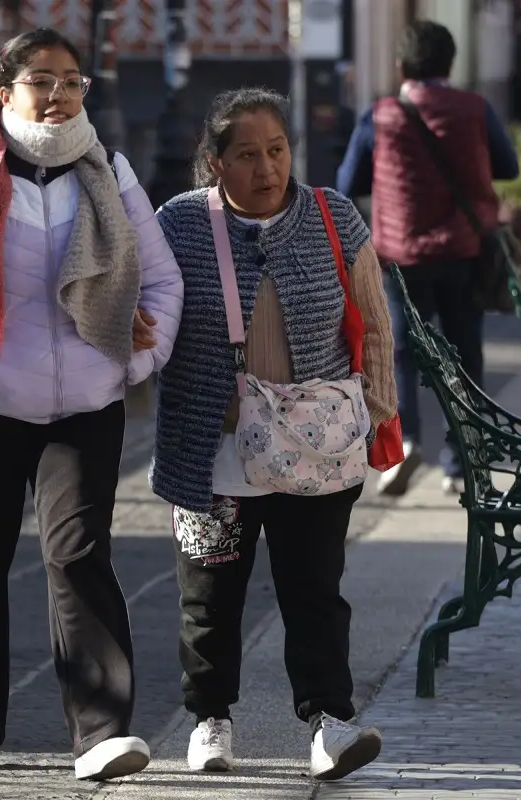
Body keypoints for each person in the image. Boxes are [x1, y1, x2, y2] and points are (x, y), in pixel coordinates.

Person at [0, 27, 183, 780]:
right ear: (4, 90)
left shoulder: (108, 172)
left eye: (73, 80)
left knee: (80, 555)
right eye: (41, 79)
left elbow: (164, 283)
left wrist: (132, 361)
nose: (59, 95)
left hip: (84, 401)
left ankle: (103, 732)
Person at [152, 87, 396, 781]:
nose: (267, 168)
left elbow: (375, 322)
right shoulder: (180, 226)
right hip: (213, 447)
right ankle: (210, 721)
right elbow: (151, 313)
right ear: (215, 162)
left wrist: (373, 411)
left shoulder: (333, 216)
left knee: (314, 588)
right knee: (209, 593)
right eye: (248, 155)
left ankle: (330, 724)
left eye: (278, 151)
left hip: (315, 449)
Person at [335, 20, 518, 497]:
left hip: (400, 256)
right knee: (465, 355)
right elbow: (509, 165)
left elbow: (348, 179)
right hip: (463, 251)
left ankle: (406, 443)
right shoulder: (475, 109)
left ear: (401, 66)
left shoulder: (381, 115)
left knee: (398, 352)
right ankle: (463, 462)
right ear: (450, 64)